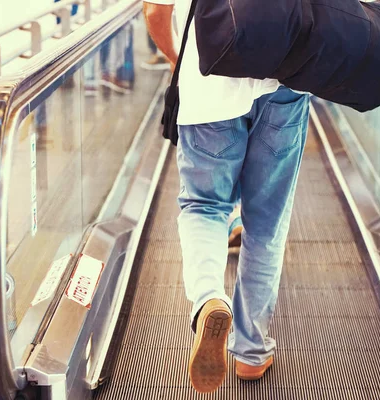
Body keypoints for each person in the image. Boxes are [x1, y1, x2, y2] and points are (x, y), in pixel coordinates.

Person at [143, 0, 310, 394]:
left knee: (205, 204)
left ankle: (208, 299)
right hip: (285, 85)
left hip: (209, 84)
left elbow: (155, 12)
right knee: (267, 222)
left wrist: (176, 59)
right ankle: (252, 352)